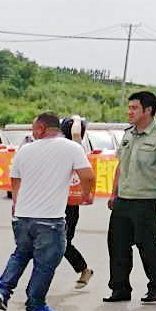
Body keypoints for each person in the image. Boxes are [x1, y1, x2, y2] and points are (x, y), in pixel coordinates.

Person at [0, 112, 95, 311]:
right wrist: (86, 195)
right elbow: (88, 176)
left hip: (22, 216)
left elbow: (15, 179)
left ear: (42, 128)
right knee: (45, 263)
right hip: (49, 218)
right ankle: (35, 305)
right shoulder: (72, 148)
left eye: (33, 129)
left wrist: (16, 203)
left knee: (21, 254)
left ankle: (3, 290)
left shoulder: (25, 150)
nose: (32, 133)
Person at [104, 90, 156, 304]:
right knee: (117, 245)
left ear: (148, 110)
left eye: (134, 108)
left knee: (148, 246)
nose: (130, 111)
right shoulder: (128, 133)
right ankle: (120, 288)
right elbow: (120, 166)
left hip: (148, 200)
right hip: (124, 199)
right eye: (129, 107)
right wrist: (114, 193)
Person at [60, 115, 94, 289]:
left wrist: (76, 119)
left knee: (63, 242)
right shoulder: (56, 146)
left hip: (70, 204)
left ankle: (84, 269)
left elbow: (75, 135)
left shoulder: (76, 148)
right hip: (54, 201)